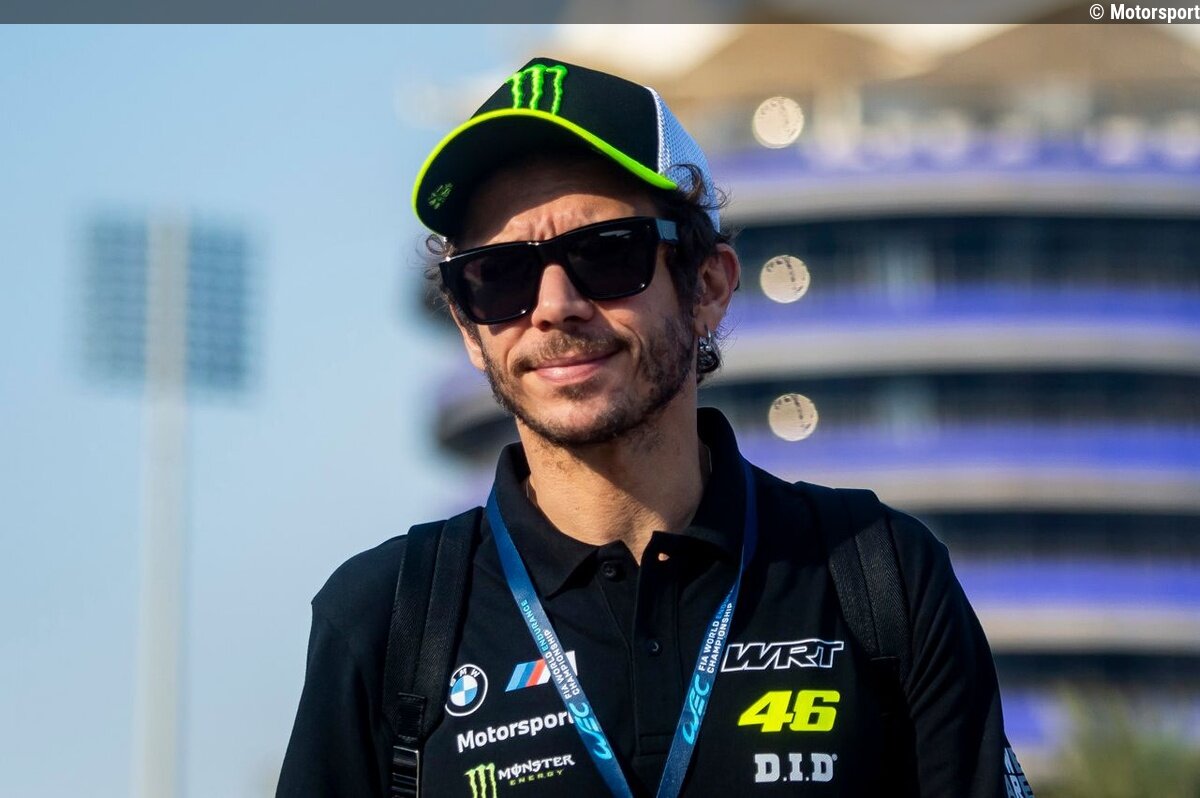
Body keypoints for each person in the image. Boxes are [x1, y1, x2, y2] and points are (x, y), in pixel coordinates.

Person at [277, 57, 1034, 798]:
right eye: (499, 275)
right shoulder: (383, 619)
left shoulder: (881, 573)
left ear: (708, 287)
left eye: (607, 255)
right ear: (469, 330)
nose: (554, 307)